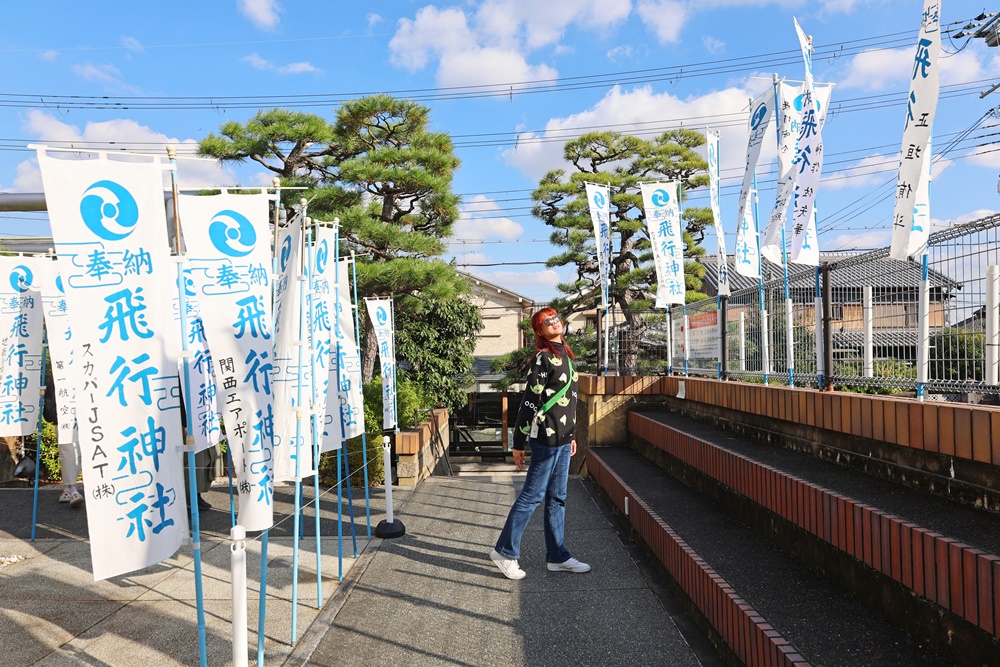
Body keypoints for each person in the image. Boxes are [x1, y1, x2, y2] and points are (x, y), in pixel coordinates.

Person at [489, 307, 590, 580]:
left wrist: (571, 436)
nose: (554, 322)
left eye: (555, 317)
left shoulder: (566, 355)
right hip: (546, 438)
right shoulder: (543, 358)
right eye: (547, 321)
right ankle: (504, 552)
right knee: (532, 496)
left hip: (562, 439)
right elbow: (530, 401)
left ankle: (557, 557)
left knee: (557, 497)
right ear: (540, 331)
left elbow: (569, 402)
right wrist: (518, 442)